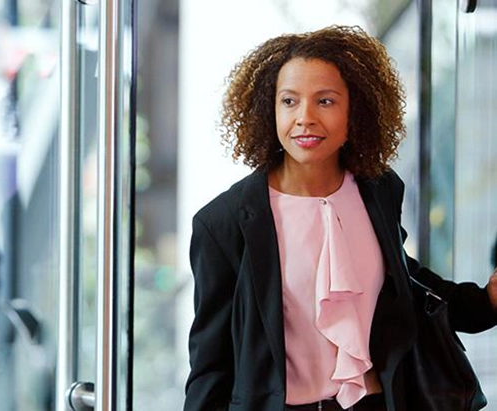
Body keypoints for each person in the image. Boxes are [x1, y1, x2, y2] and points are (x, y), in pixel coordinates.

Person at [183, 25, 497, 411]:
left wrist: (484, 303)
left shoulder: (378, 190)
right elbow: (211, 365)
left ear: (356, 111)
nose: (305, 118)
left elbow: (404, 281)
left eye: (326, 101)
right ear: (269, 109)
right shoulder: (223, 223)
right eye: (289, 101)